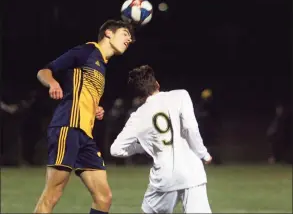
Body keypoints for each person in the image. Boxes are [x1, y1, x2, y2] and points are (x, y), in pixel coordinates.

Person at [34, 20, 134, 214]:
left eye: (130, 36)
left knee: (104, 198)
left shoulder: (102, 66)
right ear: (108, 33)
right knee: (52, 194)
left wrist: (95, 108)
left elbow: (83, 92)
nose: (129, 39)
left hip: (85, 136)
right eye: (125, 33)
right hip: (68, 126)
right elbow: (44, 71)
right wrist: (53, 84)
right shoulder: (87, 51)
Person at [110, 65, 213, 213]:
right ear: (157, 84)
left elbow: (116, 149)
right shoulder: (181, 95)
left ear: (138, 95)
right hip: (192, 172)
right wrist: (203, 154)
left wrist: (142, 148)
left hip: (165, 177)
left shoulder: (138, 116)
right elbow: (191, 129)